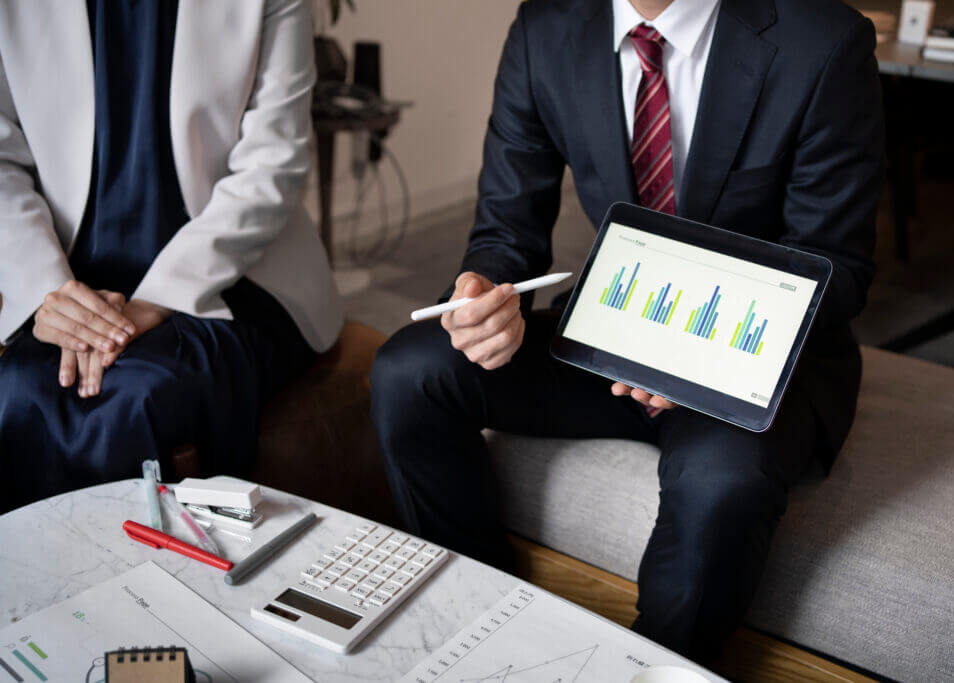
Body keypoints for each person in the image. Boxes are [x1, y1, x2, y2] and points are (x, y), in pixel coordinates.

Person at [371, 0, 883, 661]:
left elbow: (837, 265)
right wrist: (480, 288)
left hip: (761, 357)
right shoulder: (547, 27)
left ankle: (649, 670)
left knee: (720, 478)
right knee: (409, 371)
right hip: (616, 334)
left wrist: (697, 355)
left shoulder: (823, 40)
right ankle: (480, 629)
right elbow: (506, 231)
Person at [0, 0, 342, 512]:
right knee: (20, 389)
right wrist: (50, 292)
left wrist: (158, 299)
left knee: (139, 397)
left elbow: (275, 164)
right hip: (73, 275)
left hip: (233, 274)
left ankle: (151, 588)